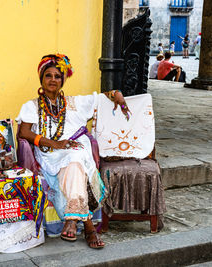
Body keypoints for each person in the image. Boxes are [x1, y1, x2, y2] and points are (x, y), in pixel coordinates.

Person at [17, 54, 131, 249]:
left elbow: (105, 96)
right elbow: (23, 132)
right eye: (48, 76)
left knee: (75, 157)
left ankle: (72, 220)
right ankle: (88, 226)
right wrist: (53, 143)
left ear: (63, 80)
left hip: (76, 149)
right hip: (49, 153)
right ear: (42, 79)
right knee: (74, 165)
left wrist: (117, 95)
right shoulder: (32, 106)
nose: (53, 80)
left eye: (57, 76)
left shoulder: (76, 102)